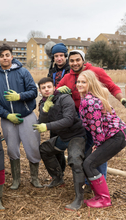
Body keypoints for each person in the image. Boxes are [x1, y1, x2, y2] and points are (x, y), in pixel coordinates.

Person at [56, 50, 126, 187]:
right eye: (72, 61)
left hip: (95, 114)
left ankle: (99, 182)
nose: (75, 63)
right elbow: (55, 91)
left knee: (98, 149)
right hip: (80, 117)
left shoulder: (96, 71)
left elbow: (112, 87)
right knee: (86, 148)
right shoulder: (68, 77)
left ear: (83, 60)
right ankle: (88, 180)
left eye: (77, 60)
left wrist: (122, 100)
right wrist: (59, 90)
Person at [0, 43, 42, 189]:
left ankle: (34, 178)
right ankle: (16, 180)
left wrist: (19, 96)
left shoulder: (23, 72)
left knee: (32, 147)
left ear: (12, 56)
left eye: (7, 55)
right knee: (12, 149)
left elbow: (33, 91)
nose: (5, 58)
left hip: (27, 115)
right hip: (8, 120)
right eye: (1, 56)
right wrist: (6, 115)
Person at [77, 70, 126, 208]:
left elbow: (96, 126)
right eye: (79, 82)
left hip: (116, 136)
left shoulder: (90, 101)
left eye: (83, 82)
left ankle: (104, 199)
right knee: (88, 161)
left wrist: (98, 144)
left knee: (89, 163)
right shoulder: (87, 97)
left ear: (90, 84)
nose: (79, 84)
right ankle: (98, 195)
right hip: (112, 135)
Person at [33, 77, 86, 211]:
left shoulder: (64, 98)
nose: (46, 90)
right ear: (40, 90)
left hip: (76, 136)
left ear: (54, 87)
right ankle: (57, 178)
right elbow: (40, 122)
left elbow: (68, 120)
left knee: (75, 160)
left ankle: (79, 197)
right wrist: (44, 111)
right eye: (43, 88)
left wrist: (47, 126)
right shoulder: (43, 103)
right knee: (44, 149)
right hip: (63, 137)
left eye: (49, 87)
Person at [47, 43, 70, 174]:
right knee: (54, 143)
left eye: (61, 55)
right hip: (55, 111)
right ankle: (58, 172)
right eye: (56, 56)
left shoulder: (70, 69)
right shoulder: (52, 71)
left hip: (69, 110)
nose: (59, 58)